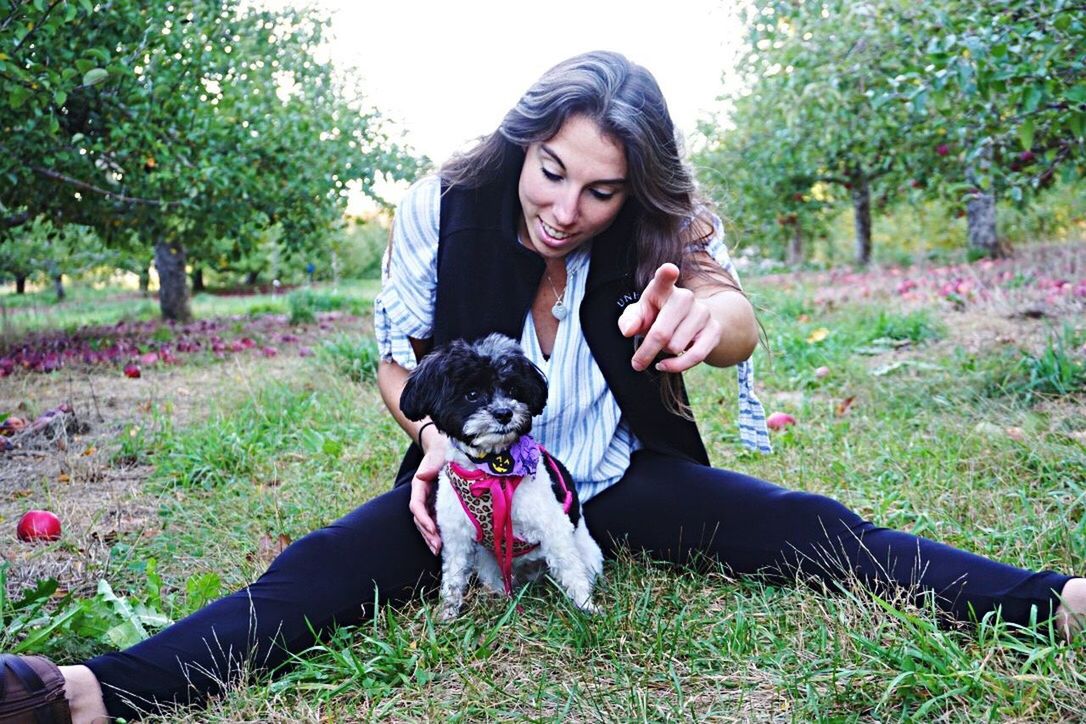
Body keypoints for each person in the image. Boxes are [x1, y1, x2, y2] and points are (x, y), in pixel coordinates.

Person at [3, 50, 1084, 724]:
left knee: (803, 525)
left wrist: (713, 325)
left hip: (615, 475)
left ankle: (1058, 602)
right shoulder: (444, 202)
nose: (565, 208)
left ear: (636, 188)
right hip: (470, 476)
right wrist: (429, 439)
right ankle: (94, 691)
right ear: (525, 144)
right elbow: (394, 362)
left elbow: (735, 316)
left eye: (601, 190)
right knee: (326, 567)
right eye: (552, 172)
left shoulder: (665, 227)